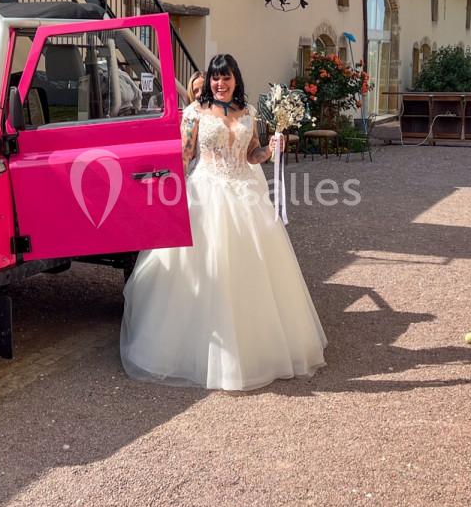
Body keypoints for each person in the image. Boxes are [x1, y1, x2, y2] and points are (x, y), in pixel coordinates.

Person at [120, 54, 326, 391]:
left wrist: (272, 149)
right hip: (206, 195)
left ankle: (258, 350)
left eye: (226, 77)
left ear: (236, 79)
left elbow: (252, 154)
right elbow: (184, 153)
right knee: (206, 270)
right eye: (215, 78)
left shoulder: (249, 113)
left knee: (252, 272)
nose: (220, 83)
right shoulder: (194, 113)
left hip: (245, 196)